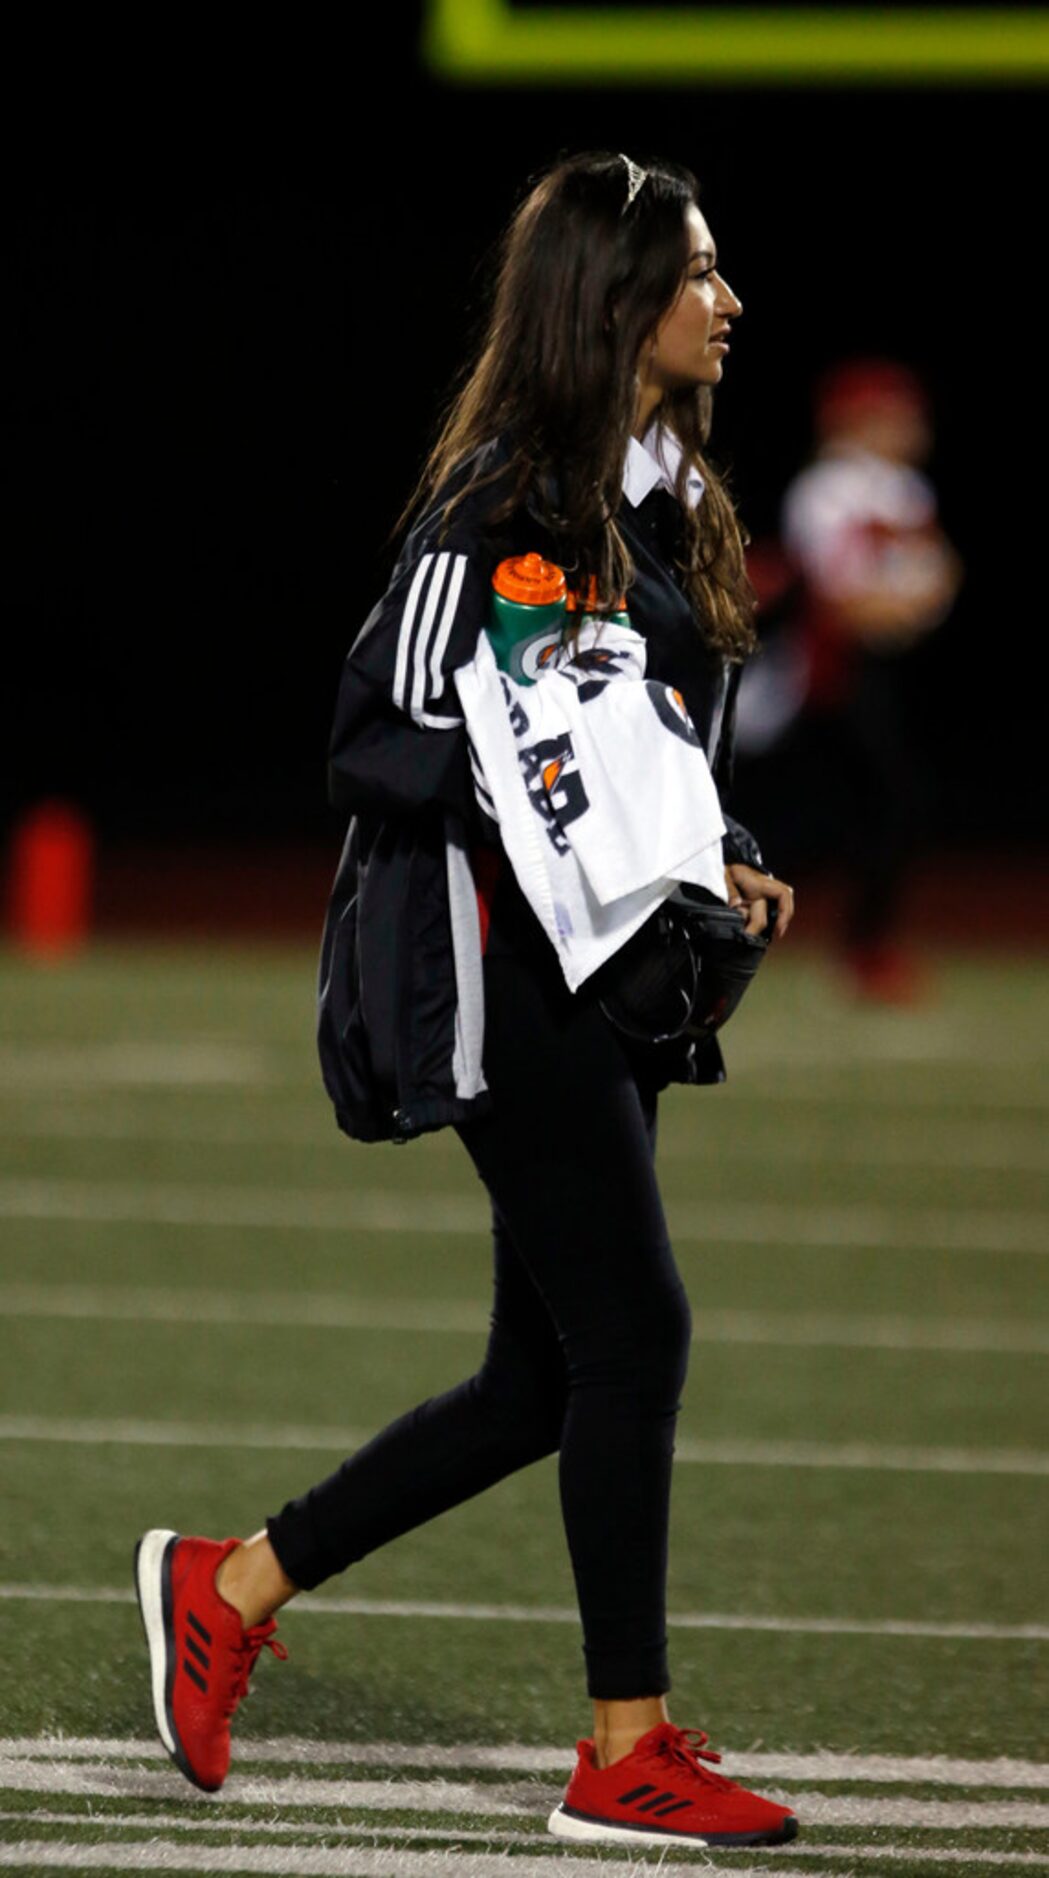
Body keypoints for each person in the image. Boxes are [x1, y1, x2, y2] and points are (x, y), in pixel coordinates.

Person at [133, 150, 798, 1853]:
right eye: (696, 272)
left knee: (542, 1374)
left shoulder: (667, 497)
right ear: (610, 299)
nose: (724, 300)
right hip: (506, 980)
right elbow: (375, 725)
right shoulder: (502, 497)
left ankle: (231, 1581)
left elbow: (640, 753)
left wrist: (711, 847)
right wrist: (527, 785)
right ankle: (619, 1748)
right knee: (633, 1333)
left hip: (604, 980)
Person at [736, 359, 961, 1002]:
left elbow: (935, 580)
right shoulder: (829, 488)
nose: (912, 425)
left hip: (881, 669)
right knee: (864, 804)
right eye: (895, 413)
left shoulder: (906, 490)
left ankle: (858, 942)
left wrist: (897, 606)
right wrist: (891, 606)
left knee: (867, 807)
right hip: (824, 675)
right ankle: (853, 942)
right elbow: (841, 597)